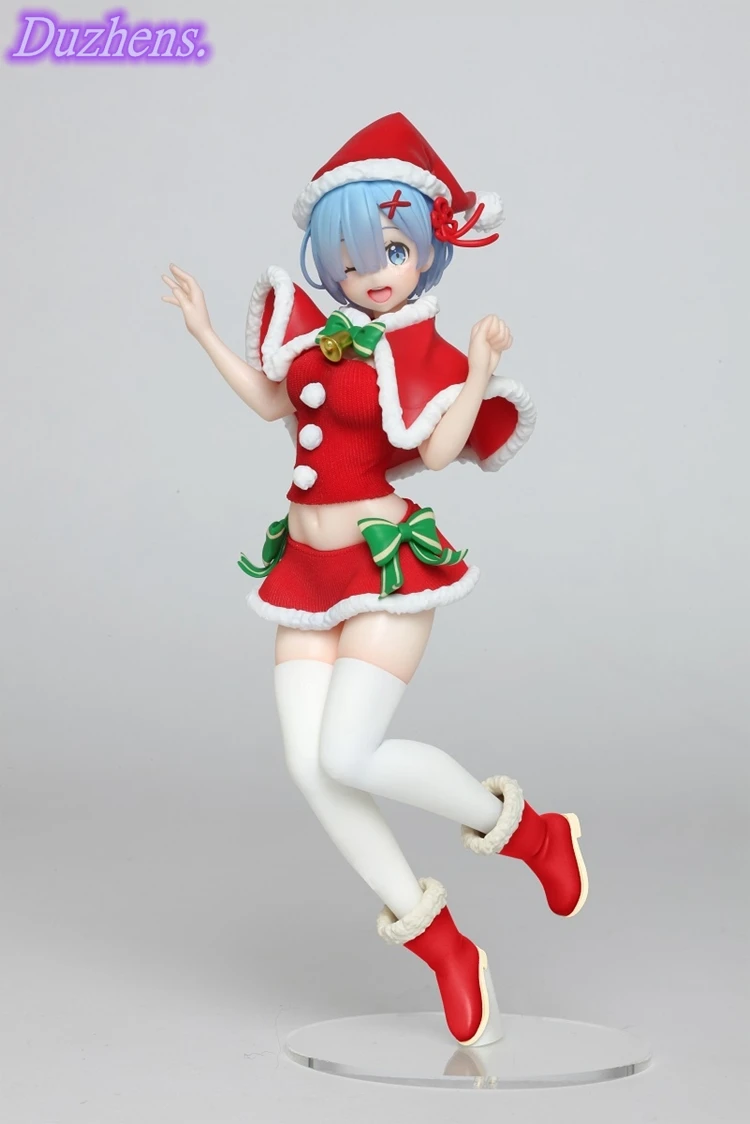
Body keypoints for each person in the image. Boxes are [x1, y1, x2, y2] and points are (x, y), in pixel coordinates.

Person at [162, 113, 587, 1048]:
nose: (373, 272)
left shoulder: (423, 351)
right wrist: (203, 333)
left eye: (393, 250)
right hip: (306, 571)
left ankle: (529, 833)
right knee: (309, 769)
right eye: (353, 259)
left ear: (427, 248)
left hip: (386, 565)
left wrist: (478, 367)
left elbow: (434, 451)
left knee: (349, 756)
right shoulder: (315, 335)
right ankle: (442, 945)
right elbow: (269, 402)